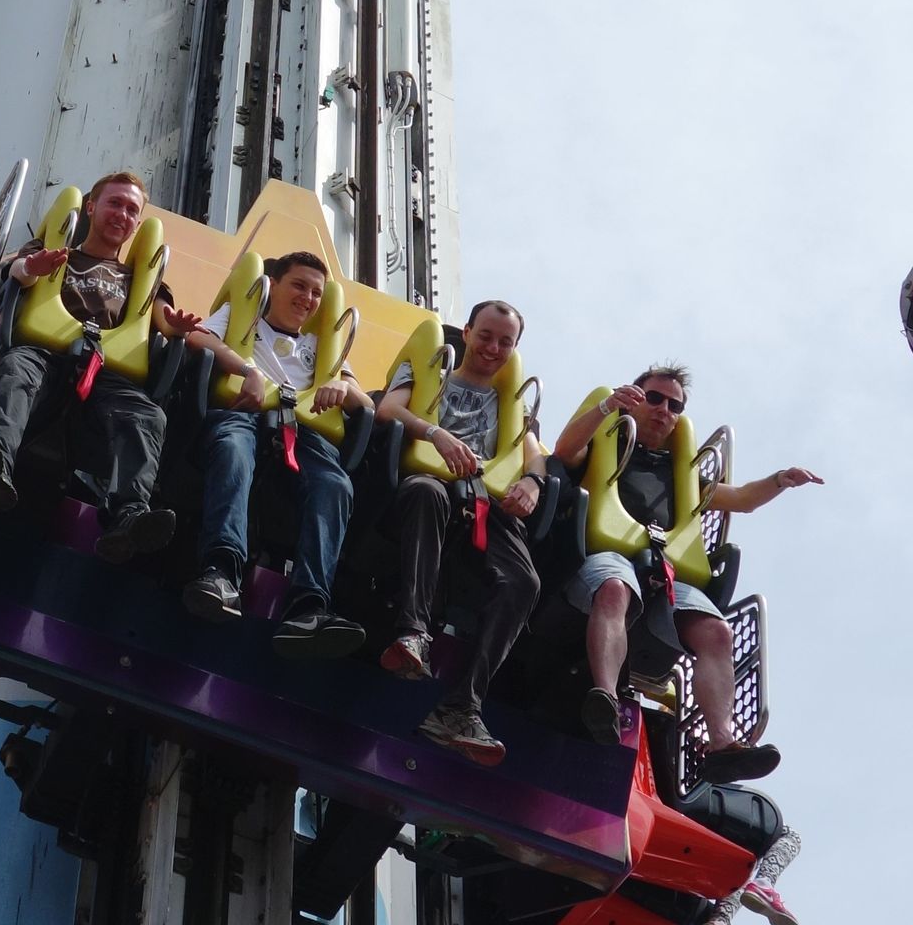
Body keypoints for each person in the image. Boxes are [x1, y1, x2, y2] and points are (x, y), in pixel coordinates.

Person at [551, 365, 823, 781]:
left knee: (718, 632)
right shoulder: (605, 443)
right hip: (608, 556)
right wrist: (606, 407)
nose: (664, 410)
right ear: (635, 399)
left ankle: (722, 743)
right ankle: (604, 697)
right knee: (614, 589)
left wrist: (780, 480)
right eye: (654, 398)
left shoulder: (682, 474)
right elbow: (564, 451)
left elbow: (742, 499)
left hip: (663, 571)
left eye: (674, 405)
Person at [0, 170, 203, 562]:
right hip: (46, 355)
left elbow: (160, 315)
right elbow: (14, 272)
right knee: (18, 369)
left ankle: (128, 514)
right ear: (91, 207)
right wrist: (31, 268)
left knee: (148, 415)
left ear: (137, 222)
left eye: (131, 210)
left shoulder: (139, 279)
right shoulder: (56, 251)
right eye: (114, 203)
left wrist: (174, 325)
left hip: (105, 373)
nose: (122, 214)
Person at [374, 300, 544, 763]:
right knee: (425, 492)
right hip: (431, 479)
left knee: (524, 581)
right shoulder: (433, 369)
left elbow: (534, 455)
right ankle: (413, 634)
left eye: (505, 342)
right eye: (485, 336)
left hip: (483, 502)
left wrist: (532, 482)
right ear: (466, 332)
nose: (493, 348)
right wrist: (436, 434)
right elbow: (388, 409)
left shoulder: (512, 403)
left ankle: (462, 706)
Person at [179, 251, 372, 655]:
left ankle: (309, 605)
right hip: (246, 415)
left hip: (304, 432)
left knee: (335, 485)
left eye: (316, 293)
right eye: (299, 286)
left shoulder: (323, 346)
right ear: (274, 284)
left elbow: (365, 404)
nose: (308, 298)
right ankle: (221, 572)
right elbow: (199, 338)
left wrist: (342, 386)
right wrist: (246, 369)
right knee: (233, 451)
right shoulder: (244, 316)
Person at [698, 821, 804, 925]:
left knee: (743, 857)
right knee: (788, 835)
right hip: (702, 816)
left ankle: (721, 921)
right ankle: (763, 884)